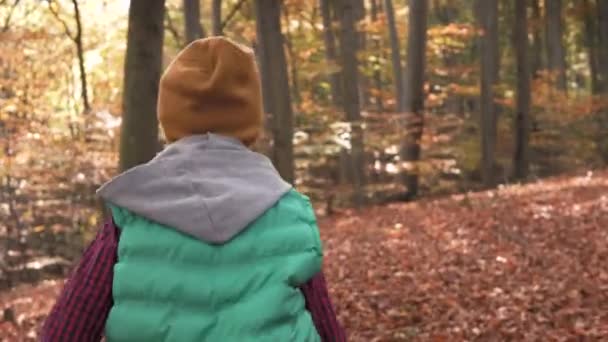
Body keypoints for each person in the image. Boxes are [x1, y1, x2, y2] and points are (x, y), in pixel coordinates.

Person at [41, 37, 345, 342]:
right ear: (249, 116)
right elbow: (327, 329)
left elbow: (66, 331)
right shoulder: (290, 211)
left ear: (170, 116)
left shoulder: (134, 213)